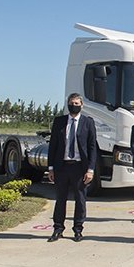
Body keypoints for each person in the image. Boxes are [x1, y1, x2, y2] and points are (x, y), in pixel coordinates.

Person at [46, 93, 97, 242]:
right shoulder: (59, 122)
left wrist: (90, 169)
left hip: (80, 168)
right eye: (71, 103)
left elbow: (92, 147)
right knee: (60, 199)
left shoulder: (88, 122)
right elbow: (53, 145)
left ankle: (78, 230)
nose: (73, 106)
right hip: (62, 167)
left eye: (76, 103)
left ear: (81, 105)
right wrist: (50, 168)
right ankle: (58, 229)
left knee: (80, 200)